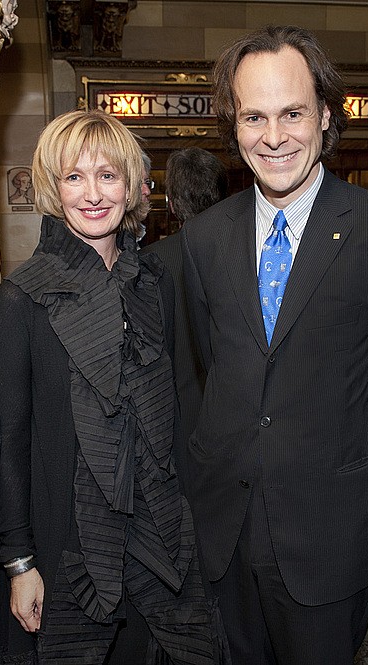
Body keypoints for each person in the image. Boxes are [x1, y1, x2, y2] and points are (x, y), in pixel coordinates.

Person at [181, 25, 368, 664]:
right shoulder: (205, 238)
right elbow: (204, 369)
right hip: (226, 533)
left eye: (292, 113)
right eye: (254, 117)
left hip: (331, 533)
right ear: (233, 125)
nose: (274, 137)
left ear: (325, 115)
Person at [0, 110, 224, 665]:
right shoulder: (23, 298)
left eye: (107, 176)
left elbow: (174, 422)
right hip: (67, 547)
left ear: (133, 187)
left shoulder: (155, 286)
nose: (92, 194)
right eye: (74, 177)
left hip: (158, 540)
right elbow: (7, 446)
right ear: (53, 186)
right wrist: (19, 562)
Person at [144, 147, 228, 472]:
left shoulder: (147, 265)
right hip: (238, 427)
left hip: (172, 426)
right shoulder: (255, 258)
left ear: (171, 203)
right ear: (223, 196)